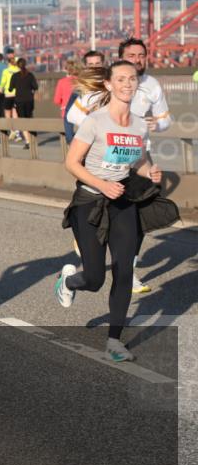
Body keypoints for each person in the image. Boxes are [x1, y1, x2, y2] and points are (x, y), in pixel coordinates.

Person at [53, 61, 177, 362]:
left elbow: (138, 161)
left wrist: (151, 172)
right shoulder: (95, 121)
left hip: (122, 203)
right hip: (91, 202)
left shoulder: (137, 124)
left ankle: (114, 341)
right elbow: (72, 163)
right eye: (120, 79)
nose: (127, 84)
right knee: (94, 279)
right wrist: (101, 184)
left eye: (132, 79)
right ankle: (68, 281)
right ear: (108, 84)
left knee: (124, 271)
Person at [65, 39, 172, 294]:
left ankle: (128, 271)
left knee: (137, 223)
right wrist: (100, 126)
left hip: (139, 162)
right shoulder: (107, 84)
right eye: (132, 55)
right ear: (121, 58)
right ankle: (90, 244)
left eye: (142, 55)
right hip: (104, 164)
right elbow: (73, 116)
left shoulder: (152, 86)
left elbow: (166, 119)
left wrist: (155, 125)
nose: (137, 59)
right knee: (107, 217)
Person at [63, 50, 104, 143]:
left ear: (103, 64)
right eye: (91, 64)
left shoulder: (112, 83)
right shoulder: (80, 88)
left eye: (97, 63)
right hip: (88, 140)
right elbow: (68, 115)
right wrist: (70, 139)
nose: (94, 67)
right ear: (86, 66)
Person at [8, 57, 38, 148]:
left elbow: (10, 88)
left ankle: (28, 141)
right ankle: (32, 134)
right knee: (29, 118)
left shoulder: (15, 76)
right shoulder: (30, 75)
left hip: (19, 100)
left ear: (17, 65)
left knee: (22, 120)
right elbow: (35, 87)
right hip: (29, 100)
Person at [0, 52, 20, 141]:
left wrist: (0, 88)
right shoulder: (18, 70)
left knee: (7, 112)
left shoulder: (6, 71)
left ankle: (11, 129)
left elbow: (3, 81)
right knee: (15, 112)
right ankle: (17, 131)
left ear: (8, 63)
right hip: (17, 94)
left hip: (8, 94)